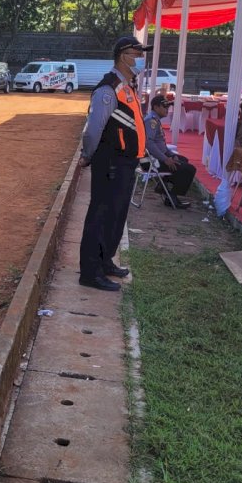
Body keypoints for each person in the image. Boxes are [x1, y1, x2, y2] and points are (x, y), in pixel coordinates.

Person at [78, 35, 151, 292]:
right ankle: (90, 272)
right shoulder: (108, 89)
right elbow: (93, 129)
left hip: (125, 163)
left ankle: (105, 261)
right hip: (110, 163)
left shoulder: (126, 86)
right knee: (100, 216)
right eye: (137, 54)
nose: (141, 59)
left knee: (116, 216)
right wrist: (87, 154)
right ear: (123, 56)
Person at [145, 94, 196, 209]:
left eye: (168, 107)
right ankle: (172, 197)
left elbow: (161, 145)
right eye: (164, 107)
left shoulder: (155, 120)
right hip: (152, 161)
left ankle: (162, 186)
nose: (167, 109)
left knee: (183, 160)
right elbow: (149, 143)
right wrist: (165, 159)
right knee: (189, 169)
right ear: (156, 107)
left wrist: (171, 155)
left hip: (156, 158)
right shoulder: (151, 121)